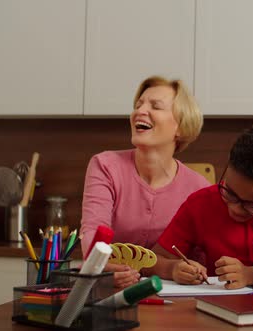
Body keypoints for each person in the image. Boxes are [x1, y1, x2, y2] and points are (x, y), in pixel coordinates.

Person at [80, 75, 210, 288]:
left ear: (180, 127)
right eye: (138, 105)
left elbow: (199, 259)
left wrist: (190, 270)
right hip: (109, 289)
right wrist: (100, 265)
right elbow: (93, 230)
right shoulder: (104, 165)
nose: (139, 111)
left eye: (155, 106)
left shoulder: (199, 188)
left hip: (173, 302)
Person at [147, 124, 253, 289]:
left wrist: (249, 275)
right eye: (229, 193)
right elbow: (151, 261)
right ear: (228, 167)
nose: (235, 209)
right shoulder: (200, 203)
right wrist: (173, 268)